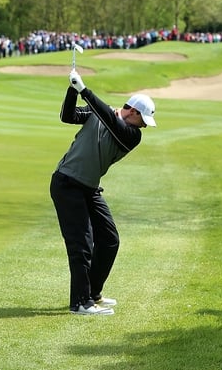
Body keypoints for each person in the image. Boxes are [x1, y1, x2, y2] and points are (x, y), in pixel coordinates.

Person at [50, 69, 156, 315]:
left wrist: (84, 90)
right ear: (133, 111)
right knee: (82, 244)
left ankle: (92, 293)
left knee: (109, 240)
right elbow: (67, 116)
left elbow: (110, 120)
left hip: (88, 188)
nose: (144, 125)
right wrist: (72, 91)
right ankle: (80, 303)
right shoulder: (100, 113)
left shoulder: (132, 135)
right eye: (143, 119)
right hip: (67, 183)